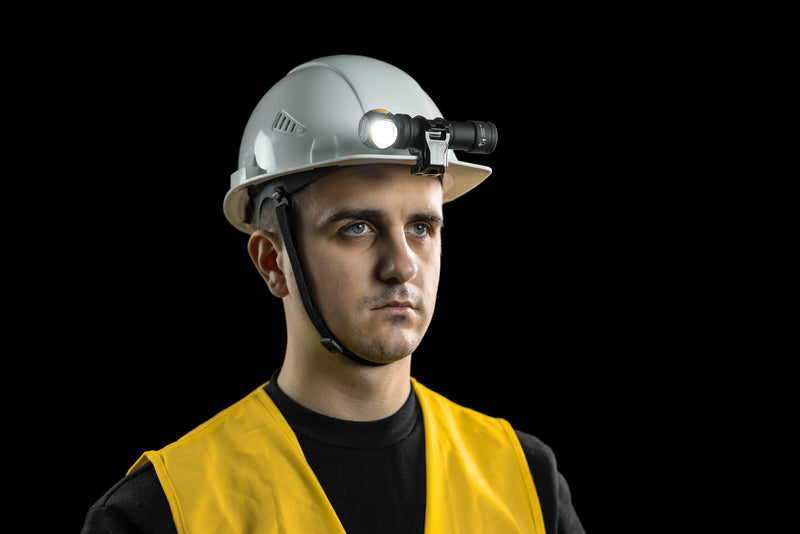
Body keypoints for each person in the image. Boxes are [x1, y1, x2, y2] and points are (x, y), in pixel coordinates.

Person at [81, 54, 584, 534]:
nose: (402, 264)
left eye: (422, 227)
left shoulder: (526, 478)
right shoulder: (163, 512)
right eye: (358, 227)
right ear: (272, 262)